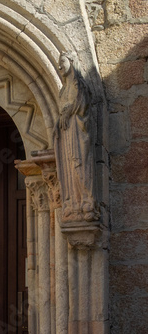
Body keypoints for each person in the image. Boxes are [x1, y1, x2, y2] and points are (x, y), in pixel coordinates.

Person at [54, 51, 99, 223]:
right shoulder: (63, 90)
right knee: (69, 168)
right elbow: (61, 112)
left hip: (78, 133)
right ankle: (72, 203)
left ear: (71, 62)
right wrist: (60, 122)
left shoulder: (79, 86)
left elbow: (82, 107)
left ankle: (86, 202)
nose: (59, 66)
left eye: (62, 61)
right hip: (67, 135)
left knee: (80, 164)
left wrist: (68, 113)